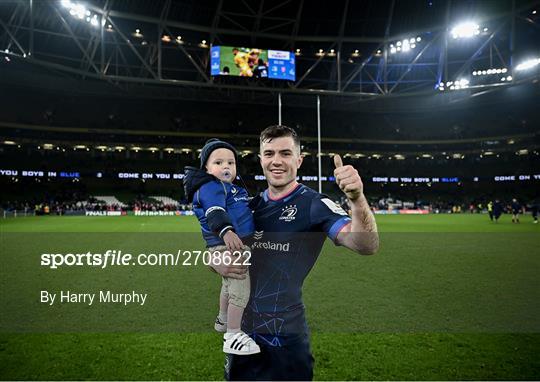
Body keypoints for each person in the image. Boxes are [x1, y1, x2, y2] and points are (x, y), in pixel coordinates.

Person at [210, 125, 379, 380]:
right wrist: (214, 262)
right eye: (269, 154)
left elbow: (366, 245)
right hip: (242, 339)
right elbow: (213, 253)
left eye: (285, 153)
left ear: (299, 160)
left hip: (286, 340)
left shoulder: (314, 205)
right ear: (261, 160)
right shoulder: (247, 208)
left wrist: (356, 198)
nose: (276, 161)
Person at [183, 138, 261, 356]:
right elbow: (214, 211)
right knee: (240, 288)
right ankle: (233, 334)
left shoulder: (232, 188)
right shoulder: (211, 187)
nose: (226, 166)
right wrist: (226, 231)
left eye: (231, 162)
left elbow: (243, 207)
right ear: (206, 168)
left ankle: (223, 319)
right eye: (218, 162)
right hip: (227, 244)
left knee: (228, 285)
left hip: (229, 244)